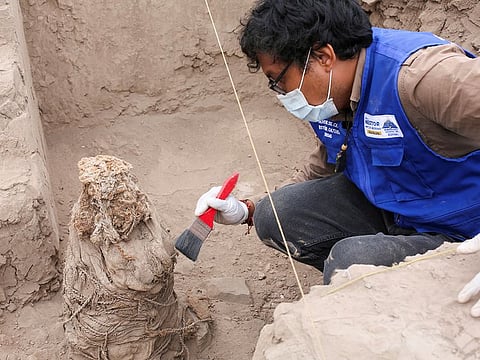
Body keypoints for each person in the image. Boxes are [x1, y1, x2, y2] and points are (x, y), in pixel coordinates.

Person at [193, 0, 480, 316]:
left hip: (462, 234)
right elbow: (326, 163)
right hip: (398, 210)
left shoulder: (422, 77)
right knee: (275, 213)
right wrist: (249, 209)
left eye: (278, 80)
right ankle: (388, 294)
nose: (279, 93)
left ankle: (421, 305)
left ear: (323, 57)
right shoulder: (333, 95)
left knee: (350, 263)